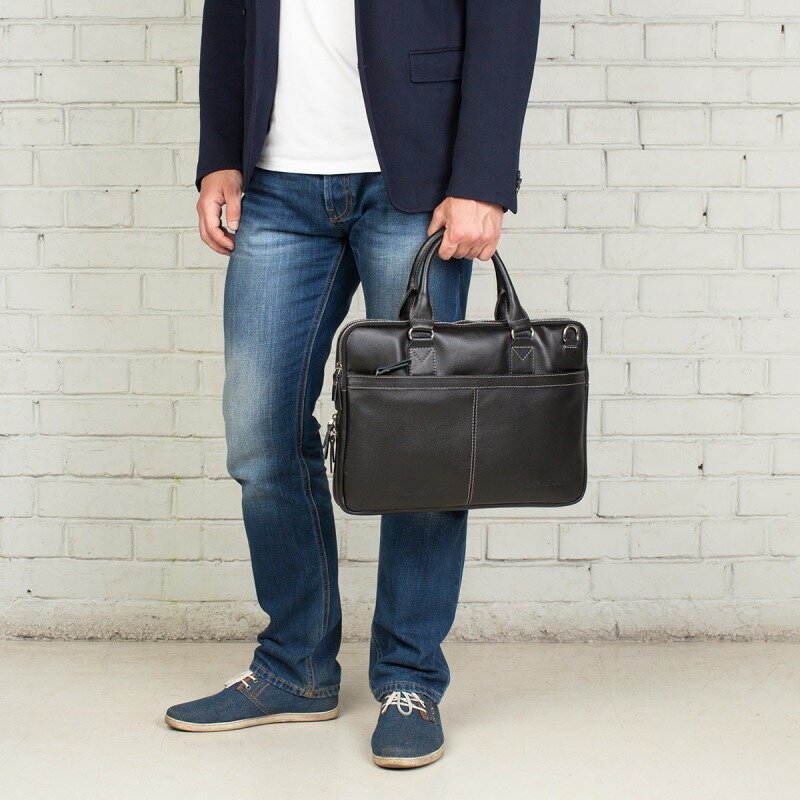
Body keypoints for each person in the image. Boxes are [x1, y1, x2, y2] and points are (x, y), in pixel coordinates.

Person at [164, 0, 540, 769]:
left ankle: (409, 680)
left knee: (424, 443)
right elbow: (229, 14)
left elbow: (505, 16)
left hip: (416, 177)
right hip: (275, 183)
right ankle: (295, 668)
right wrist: (220, 154)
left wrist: (483, 177)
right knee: (260, 435)